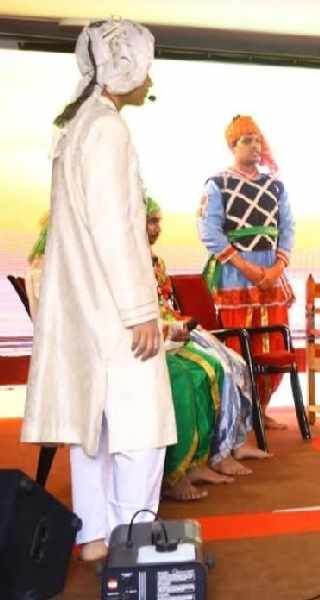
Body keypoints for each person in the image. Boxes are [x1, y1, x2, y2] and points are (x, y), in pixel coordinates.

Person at [20, 19, 175, 561]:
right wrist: (140, 310)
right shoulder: (106, 128)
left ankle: (93, 536)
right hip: (113, 306)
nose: (148, 76)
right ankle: (132, 544)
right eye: (144, 63)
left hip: (87, 300)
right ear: (124, 67)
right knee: (141, 429)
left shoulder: (79, 123)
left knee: (96, 426)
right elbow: (115, 227)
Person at [147, 198, 270, 500]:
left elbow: (164, 305)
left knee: (234, 362)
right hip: (152, 337)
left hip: (170, 329)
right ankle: (190, 464)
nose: (156, 229)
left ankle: (229, 447)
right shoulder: (123, 261)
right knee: (204, 371)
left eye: (158, 221)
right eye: (150, 221)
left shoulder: (155, 262)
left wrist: (178, 322)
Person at [198, 115, 296, 430]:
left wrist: (277, 267)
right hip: (234, 275)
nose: (255, 146)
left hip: (271, 273)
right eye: (247, 140)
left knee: (272, 342)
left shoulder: (275, 185)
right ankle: (237, 416)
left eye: (257, 140)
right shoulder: (218, 183)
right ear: (233, 145)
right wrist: (246, 267)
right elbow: (210, 231)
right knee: (237, 345)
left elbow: (287, 227)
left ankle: (261, 409)